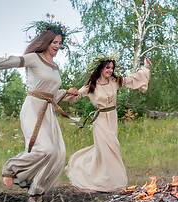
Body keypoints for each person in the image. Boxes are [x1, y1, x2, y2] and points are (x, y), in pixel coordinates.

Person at [0, 18, 79, 202]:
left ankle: (35, 193)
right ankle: (10, 169)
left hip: (48, 112)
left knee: (58, 153)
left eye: (60, 43)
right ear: (46, 41)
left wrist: (67, 93)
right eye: (55, 42)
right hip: (33, 108)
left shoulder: (55, 66)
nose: (58, 46)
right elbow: (6, 62)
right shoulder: (34, 58)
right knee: (44, 148)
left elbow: (52, 93)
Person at [61, 55, 151, 192]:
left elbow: (132, 80)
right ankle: (116, 183)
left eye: (112, 68)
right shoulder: (91, 85)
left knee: (112, 148)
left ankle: (108, 178)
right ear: (101, 68)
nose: (110, 70)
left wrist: (144, 68)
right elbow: (76, 95)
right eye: (108, 67)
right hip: (101, 120)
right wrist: (62, 93)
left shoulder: (115, 81)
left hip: (112, 118)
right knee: (109, 149)